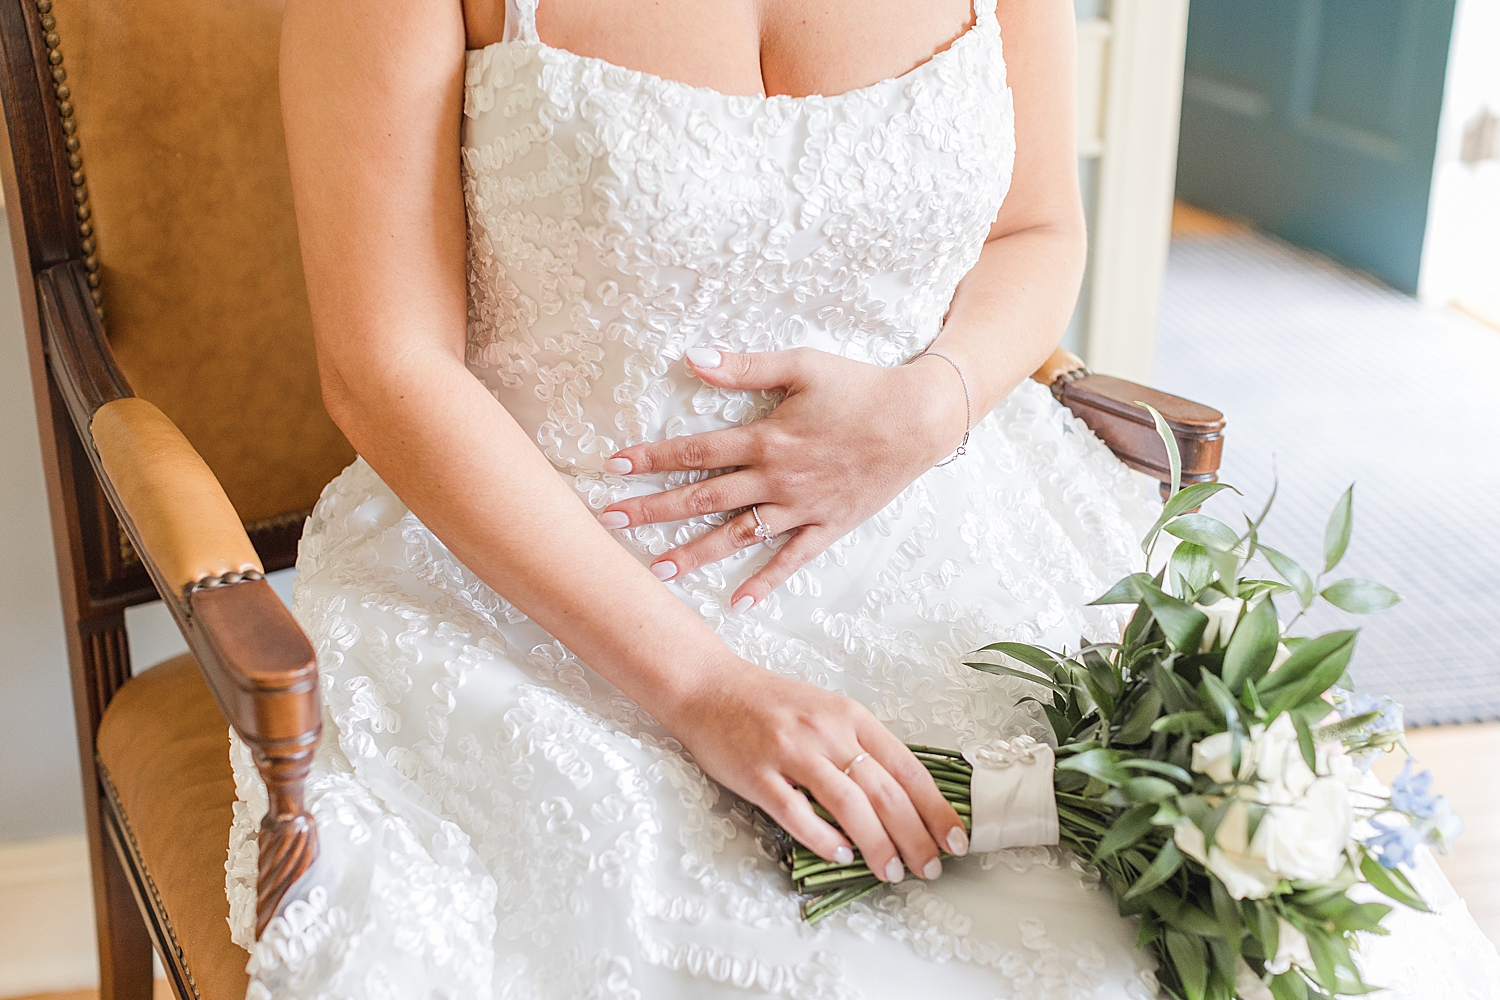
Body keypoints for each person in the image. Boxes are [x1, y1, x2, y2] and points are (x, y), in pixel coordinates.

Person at [227, 0, 1500, 995]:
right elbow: (386, 369)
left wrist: (930, 407)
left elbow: (1037, 230)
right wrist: (706, 690)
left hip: (952, 530)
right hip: (544, 588)